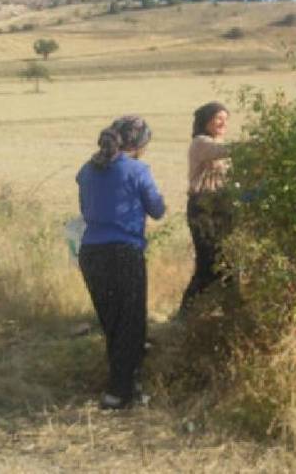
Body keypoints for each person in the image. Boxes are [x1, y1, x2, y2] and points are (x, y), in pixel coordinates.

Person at [76, 115, 166, 409]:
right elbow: (157, 209)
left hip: (91, 252)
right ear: (138, 144)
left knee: (112, 321)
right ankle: (119, 392)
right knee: (131, 322)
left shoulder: (87, 169)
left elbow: (86, 209)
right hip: (124, 251)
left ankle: (126, 384)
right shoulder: (137, 169)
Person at [174, 101, 235, 323]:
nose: (223, 123)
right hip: (203, 208)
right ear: (206, 121)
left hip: (221, 207)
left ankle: (228, 314)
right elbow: (224, 151)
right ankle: (186, 314)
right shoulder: (201, 143)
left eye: (226, 119)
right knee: (208, 261)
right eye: (218, 118)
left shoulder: (218, 144)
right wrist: (258, 146)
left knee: (226, 261)